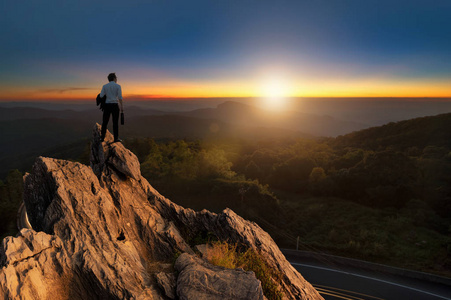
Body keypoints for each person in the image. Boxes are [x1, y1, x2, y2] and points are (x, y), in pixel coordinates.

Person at [100, 73, 123, 142]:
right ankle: (116, 138)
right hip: (115, 105)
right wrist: (121, 107)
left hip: (107, 106)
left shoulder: (105, 86)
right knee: (115, 122)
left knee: (105, 122)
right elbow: (120, 97)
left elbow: (101, 96)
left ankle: (102, 137)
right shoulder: (118, 86)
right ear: (114, 78)